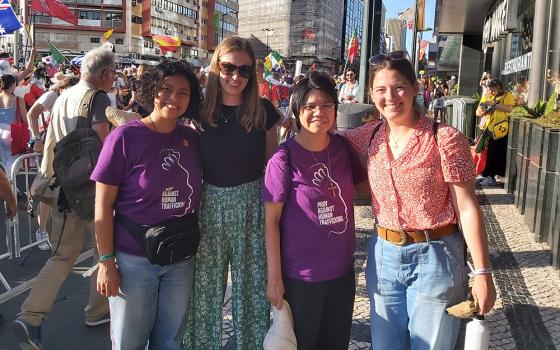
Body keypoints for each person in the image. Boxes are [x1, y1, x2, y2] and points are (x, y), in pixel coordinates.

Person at [343, 51, 496, 350]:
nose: (390, 97)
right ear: (372, 94)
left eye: (399, 86)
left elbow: (467, 208)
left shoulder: (445, 138)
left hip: (435, 256)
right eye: (381, 90)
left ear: (415, 88)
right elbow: (325, 143)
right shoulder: (369, 134)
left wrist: (482, 273)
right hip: (383, 256)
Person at [91, 60, 202, 350]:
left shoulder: (192, 139)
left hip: (181, 258)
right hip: (134, 261)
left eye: (183, 93)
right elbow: (102, 206)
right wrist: (106, 262)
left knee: (171, 342)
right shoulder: (124, 138)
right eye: (166, 89)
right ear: (152, 89)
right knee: (129, 342)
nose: (173, 99)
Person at [11, 46, 115, 349]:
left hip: (61, 190)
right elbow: (102, 142)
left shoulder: (64, 95)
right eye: (114, 73)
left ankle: (30, 317)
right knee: (105, 252)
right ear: (105, 74)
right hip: (91, 192)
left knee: (61, 256)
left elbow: (51, 144)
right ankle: (97, 310)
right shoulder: (97, 99)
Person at [185, 36, 281, 350]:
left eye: (244, 70)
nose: (235, 76)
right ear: (216, 67)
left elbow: (272, 166)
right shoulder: (198, 110)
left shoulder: (263, 111)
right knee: (205, 291)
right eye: (228, 67)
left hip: (252, 206)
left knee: (252, 291)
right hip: (209, 205)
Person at [263, 71, 366, 349]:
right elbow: (271, 221)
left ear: (335, 108)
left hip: (342, 274)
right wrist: (274, 279)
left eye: (326, 105)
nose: (318, 112)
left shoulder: (343, 148)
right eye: (309, 106)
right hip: (300, 278)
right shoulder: (284, 158)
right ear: (297, 111)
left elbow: (367, 188)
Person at [27, 75, 79, 251]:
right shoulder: (52, 96)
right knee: (47, 188)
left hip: (65, 146)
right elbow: (31, 113)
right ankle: (41, 231)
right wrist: (36, 139)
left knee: (62, 189)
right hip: (49, 145)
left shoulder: (73, 98)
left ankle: (62, 231)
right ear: (63, 88)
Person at [476, 79, 514, 186]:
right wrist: (481, 110)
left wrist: (494, 104)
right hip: (487, 128)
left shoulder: (507, 95)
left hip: (500, 129)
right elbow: (478, 111)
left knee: (496, 153)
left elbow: (509, 109)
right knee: (486, 152)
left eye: (493, 90)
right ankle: (486, 174)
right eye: (490, 90)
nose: (491, 92)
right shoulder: (487, 95)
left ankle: (491, 176)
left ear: (499, 88)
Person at [0, 74, 27, 172]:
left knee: (3, 161)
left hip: (0, 130)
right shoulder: (18, 99)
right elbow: (25, 118)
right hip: (11, 131)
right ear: (12, 84)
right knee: (13, 163)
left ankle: (6, 184)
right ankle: (11, 185)